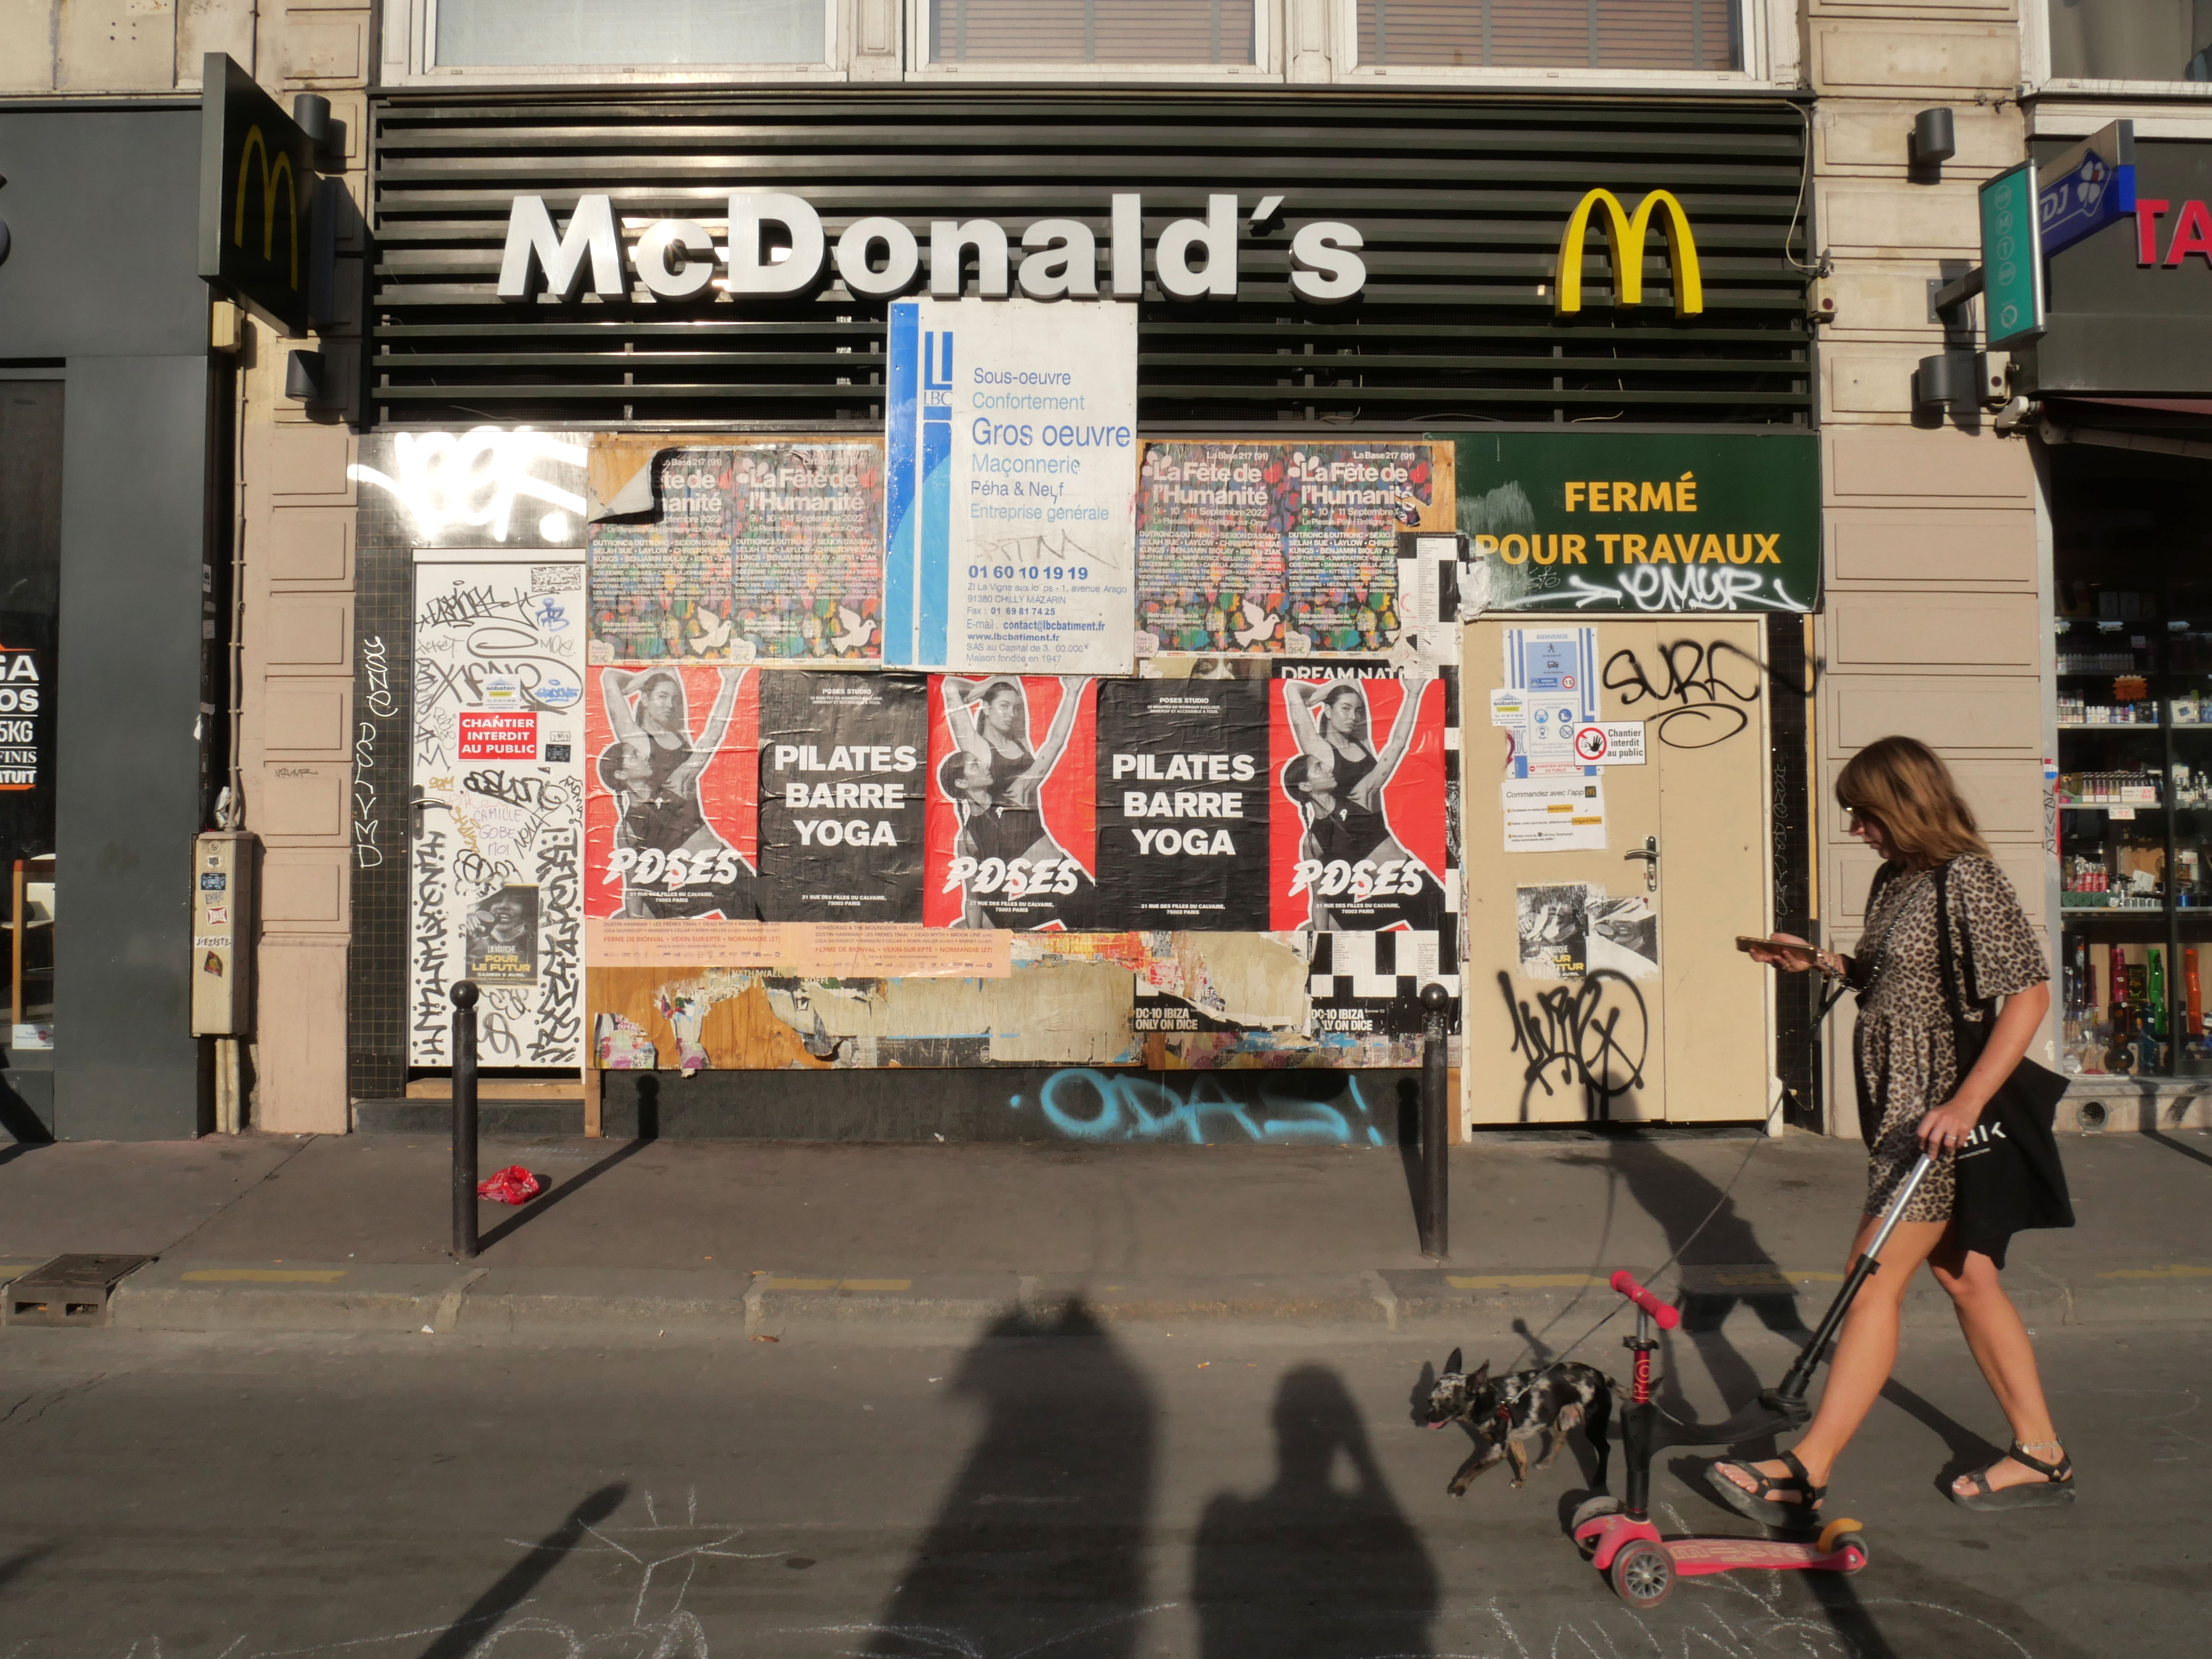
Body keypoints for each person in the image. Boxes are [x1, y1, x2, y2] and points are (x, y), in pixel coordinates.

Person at [1723, 735, 2069, 1520]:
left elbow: (2028, 995)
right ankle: (2042, 1450)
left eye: (1865, 813)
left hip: (1939, 1119)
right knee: (1966, 1276)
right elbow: (1894, 978)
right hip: (1905, 1113)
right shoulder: (1897, 880)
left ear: (1905, 803)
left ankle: (1807, 1463)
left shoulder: (1967, 877)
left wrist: (1967, 1102)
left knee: (1869, 1275)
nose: (1857, 829)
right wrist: (1821, 962)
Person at [1281, 678, 1439, 930]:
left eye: (1357, 711)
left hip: (1404, 885)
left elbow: (1396, 741)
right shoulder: (1321, 753)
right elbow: (1319, 896)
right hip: (1376, 893)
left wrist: (1413, 694)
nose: (1354, 717)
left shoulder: (1361, 777)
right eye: (1345, 708)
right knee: (1309, 931)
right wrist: (1322, 697)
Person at [598, 667, 750, 918]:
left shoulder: (676, 761)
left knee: (751, 901)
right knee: (626, 919)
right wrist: (639, 685)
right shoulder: (638, 743)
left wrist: (731, 682)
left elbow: (712, 733)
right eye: (662, 697)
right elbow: (610, 679)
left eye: (674, 699)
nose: (671, 705)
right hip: (696, 879)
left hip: (712, 872)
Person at [938, 676, 1089, 928]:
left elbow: (1054, 741)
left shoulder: (1018, 744)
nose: (1012, 714)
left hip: (1054, 882)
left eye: (1015, 708)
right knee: (961, 929)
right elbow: (950, 688)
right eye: (1003, 707)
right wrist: (980, 695)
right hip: (1022, 894)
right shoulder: (979, 751)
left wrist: (1072, 692)